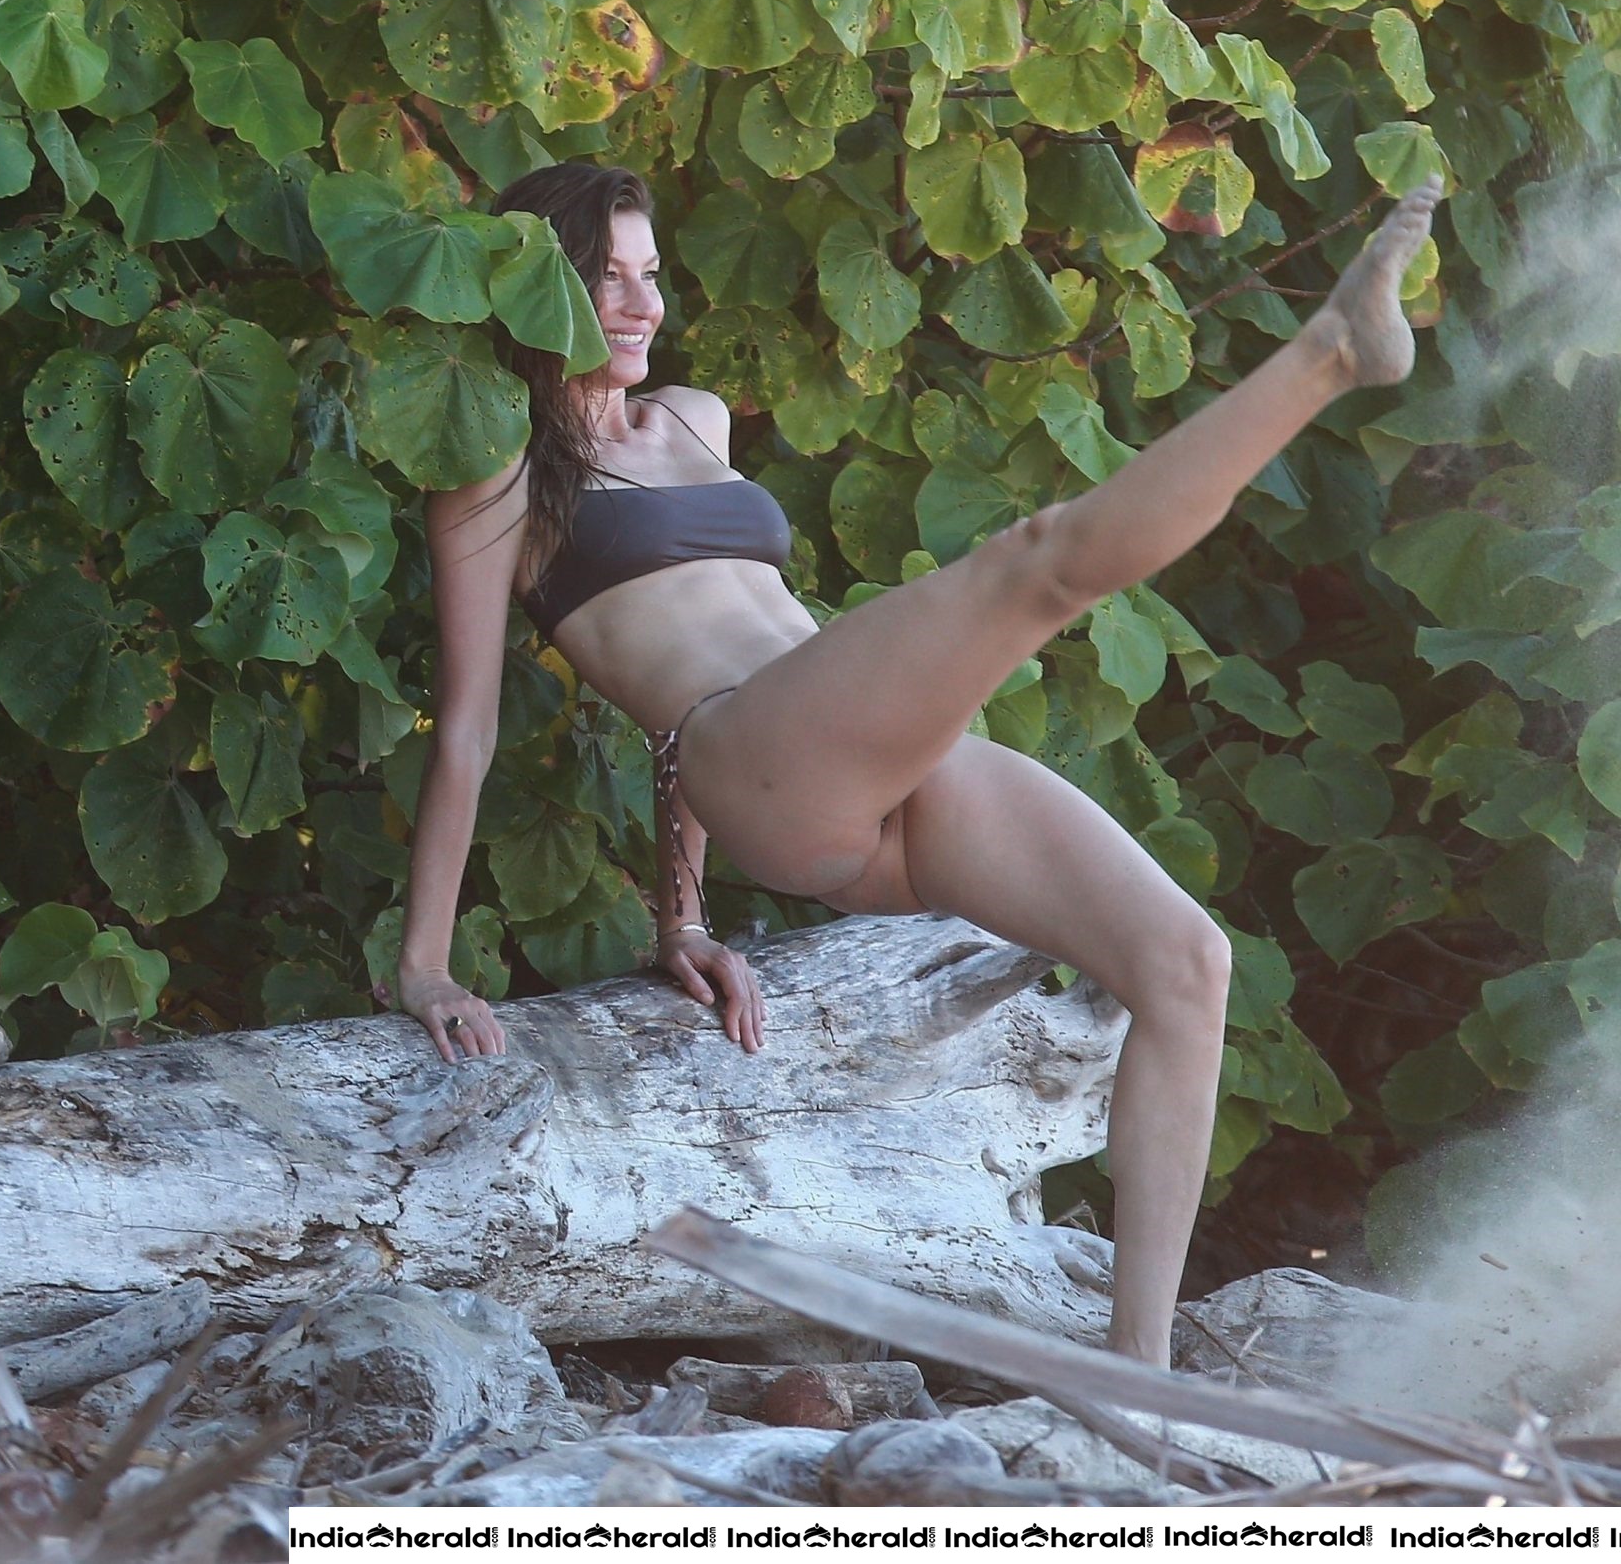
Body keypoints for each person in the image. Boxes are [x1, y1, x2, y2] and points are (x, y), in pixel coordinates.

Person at [392, 159, 1443, 1364]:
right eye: (602, 280)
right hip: (764, 759)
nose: (638, 305)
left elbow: (685, 683)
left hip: (857, 761)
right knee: (1036, 562)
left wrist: (678, 925)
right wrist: (425, 967)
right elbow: (470, 723)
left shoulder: (694, 417)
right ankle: (1326, 354)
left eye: (648, 276)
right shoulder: (500, 473)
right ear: (536, 290)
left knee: (1187, 964)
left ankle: (1137, 1379)